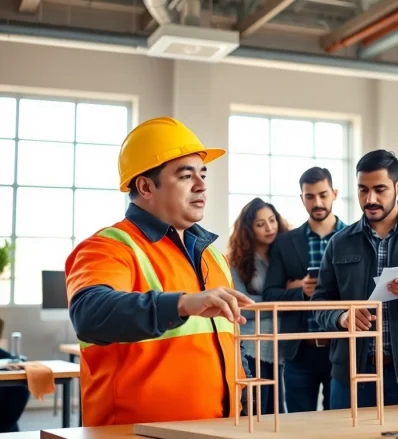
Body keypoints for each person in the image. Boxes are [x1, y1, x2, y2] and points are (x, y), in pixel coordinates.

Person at [64, 117, 254, 426]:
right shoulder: (109, 247)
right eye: (185, 175)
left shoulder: (214, 257)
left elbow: (230, 335)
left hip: (218, 429)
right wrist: (181, 304)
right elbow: (90, 314)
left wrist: (243, 389)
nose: (202, 185)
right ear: (145, 186)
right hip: (135, 433)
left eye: (203, 173)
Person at [311, 150, 398, 409]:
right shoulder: (339, 242)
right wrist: (341, 317)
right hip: (350, 377)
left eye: (380, 189)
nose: (370, 199)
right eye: (363, 190)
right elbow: (319, 301)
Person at [263, 167, 344, 413]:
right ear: (302, 199)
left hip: (341, 349)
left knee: (341, 425)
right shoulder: (285, 243)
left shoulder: (353, 237)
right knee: (298, 426)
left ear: (334, 194)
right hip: (299, 351)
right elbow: (270, 294)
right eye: (310, 196)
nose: (317, 202)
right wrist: (302, 292)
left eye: (323, 195)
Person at [229, 198, 291, 415]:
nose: (269, 228)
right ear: (248, 229)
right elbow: (243, 306)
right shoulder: (237, 261)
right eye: (260, 224)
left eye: (272, 220)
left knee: (278, 412)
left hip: (280, 345)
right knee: (256, 412)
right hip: (252, 346)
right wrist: (284, 299)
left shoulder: (284, 256)